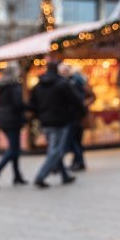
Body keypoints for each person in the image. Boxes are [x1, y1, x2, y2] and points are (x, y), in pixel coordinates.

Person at [29, 56, 83, 188]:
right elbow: (75, 100)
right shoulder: (63, 84)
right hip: (61, 121)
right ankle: (40, 176)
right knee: (55, 151)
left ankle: (64, 176)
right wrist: (77, 112)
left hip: (46, 121)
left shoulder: (38, 85)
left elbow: (32, 104)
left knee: (55, 149)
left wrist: (39, 115)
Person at [0, 62, 29, 188]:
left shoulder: (2, 86)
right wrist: (30, 107)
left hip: (3, 119)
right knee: (13, 149)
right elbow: (18, 104)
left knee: (14, 148)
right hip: (12, 120)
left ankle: (17, 175)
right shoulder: (14, 86)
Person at [59, 63, 92, 172]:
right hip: (78, 115)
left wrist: (83, 105)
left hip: (75, 116)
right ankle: (77, 162)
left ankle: (78, 163)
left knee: (73, 140)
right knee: (76, 140)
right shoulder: (78, 82)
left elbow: (78, 100)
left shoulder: (73, 83)